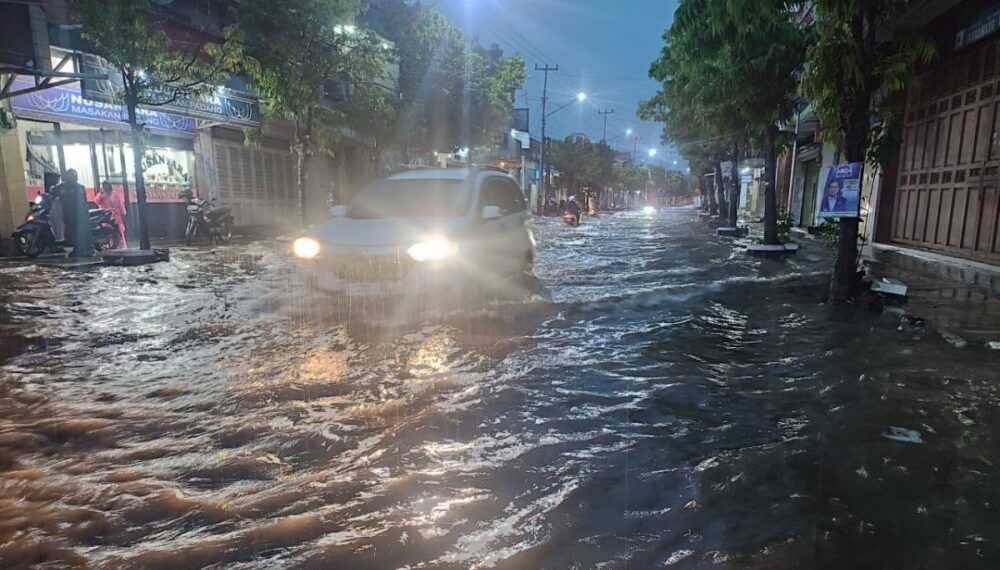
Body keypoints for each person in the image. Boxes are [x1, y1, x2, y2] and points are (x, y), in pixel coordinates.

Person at [52, 169, 92, 257]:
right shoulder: (61, 187)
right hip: (67, 215)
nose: (72, 178)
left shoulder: (80, 188)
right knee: (69, 233)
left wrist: (86, 214)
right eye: (70, 176)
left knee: (79, 233)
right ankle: (76, 248)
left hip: (78, 216)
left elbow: (84, 202)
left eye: (73, 176)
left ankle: (84, 249)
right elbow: (52, 195)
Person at [94, 180, 127, 248]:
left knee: (119, 231)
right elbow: (96, 202)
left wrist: (123, 213)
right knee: (109, 232)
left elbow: (120, 204)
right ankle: (111, 245)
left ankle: (122, 245)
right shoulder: (101, 195)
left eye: (107, 185)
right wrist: (100, 194)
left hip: (115, 215)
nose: (106, 187)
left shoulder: (115, 194)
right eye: (104, 185)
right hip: (105, 216)